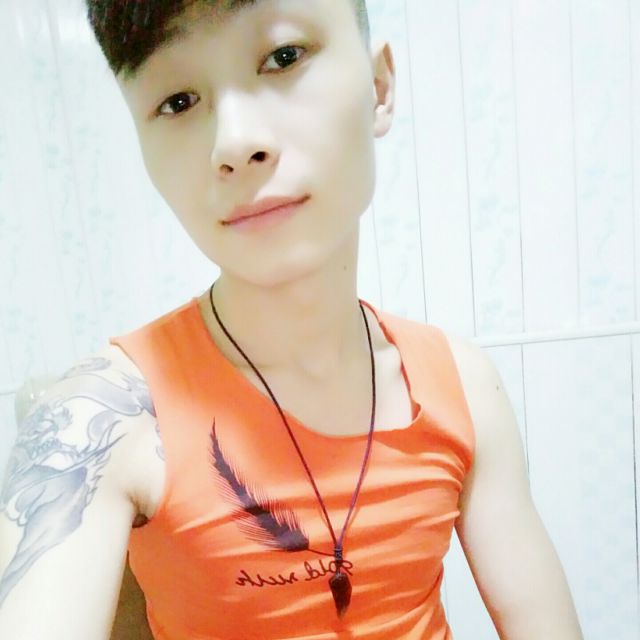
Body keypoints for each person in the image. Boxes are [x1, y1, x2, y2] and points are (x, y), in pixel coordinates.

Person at [0, 1, 584, 638]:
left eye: (283, 58)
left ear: (378, 87)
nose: (235, 142)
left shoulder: (462, 386)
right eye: (178, 101)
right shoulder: (101, 416)